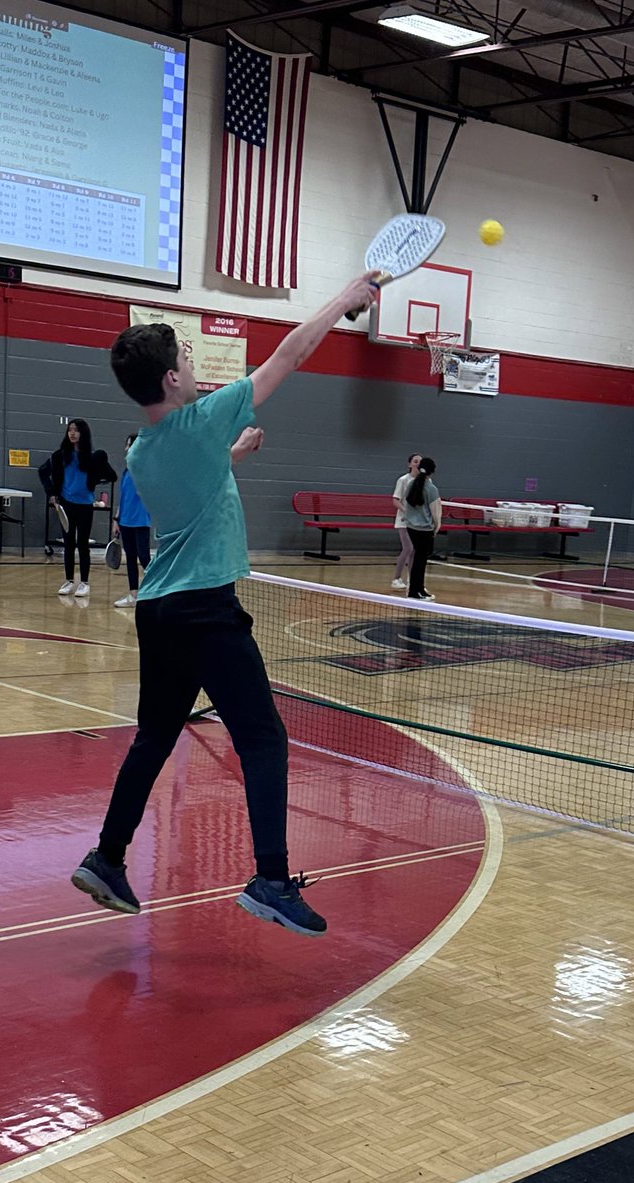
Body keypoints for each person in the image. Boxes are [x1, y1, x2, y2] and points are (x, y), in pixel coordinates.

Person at [70, 272, 379, 937]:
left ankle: (107, 858)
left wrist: (231, 452)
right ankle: (270, 880)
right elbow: (290, 354)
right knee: (263, 739)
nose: (191, 365)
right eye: (184, 358)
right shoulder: (202, 418)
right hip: (206, 610)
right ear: (172, 380)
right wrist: (344, 298)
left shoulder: (144, 450)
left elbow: (194, 485)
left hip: (160, 610)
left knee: (155, 737)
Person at [113, 427, 265, 609]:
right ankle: (144, 593)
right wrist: (236, 451)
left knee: (145, 558)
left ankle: (150, 591)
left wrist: (235, 452)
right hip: (200, 577)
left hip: (215, 572)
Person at [38, 419, 117, 598]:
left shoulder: (92, 457)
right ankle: (69, 580)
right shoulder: (59, 456)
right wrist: (52, 492)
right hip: (66, 503)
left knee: (82, 544)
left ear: (83, 433)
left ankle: (84, 583)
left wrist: (96, 476)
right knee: (68, 544)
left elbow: (111, 476)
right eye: (70, 430)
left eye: (76, 430)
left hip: (85, 505)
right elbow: (42, 472)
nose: (72, 433)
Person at [112, 434, 152, 609]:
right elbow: (123, 497)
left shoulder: (146, 470)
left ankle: (156, 592)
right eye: (127, 445)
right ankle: (133, 595)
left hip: (141, 520)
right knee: (130, 558)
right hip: (125, 521)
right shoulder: (126, 471)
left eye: (130, 445)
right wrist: (116, 519)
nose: (126, 449)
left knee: (144, 557)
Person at [404, 457, 441, 601]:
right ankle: (414, 592)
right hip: (424, 529)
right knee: (420, 560)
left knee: (419, 559)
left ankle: (419, 589)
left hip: (411, 527)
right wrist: (437, 526)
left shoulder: (411, 484)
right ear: (432, 471)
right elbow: (435, 512)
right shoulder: (431, 489)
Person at [391, 453, 422, 591]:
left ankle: (412, 579)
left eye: (420, 462)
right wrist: (406, 511)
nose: (418, 464)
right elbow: (395, 500)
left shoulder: (425, 482)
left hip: (418, 522)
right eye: (415, 461)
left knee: (414, 550)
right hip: (404, 520)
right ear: (410, 464)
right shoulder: (403, 480)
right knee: (408, 548)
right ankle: (396, 578)